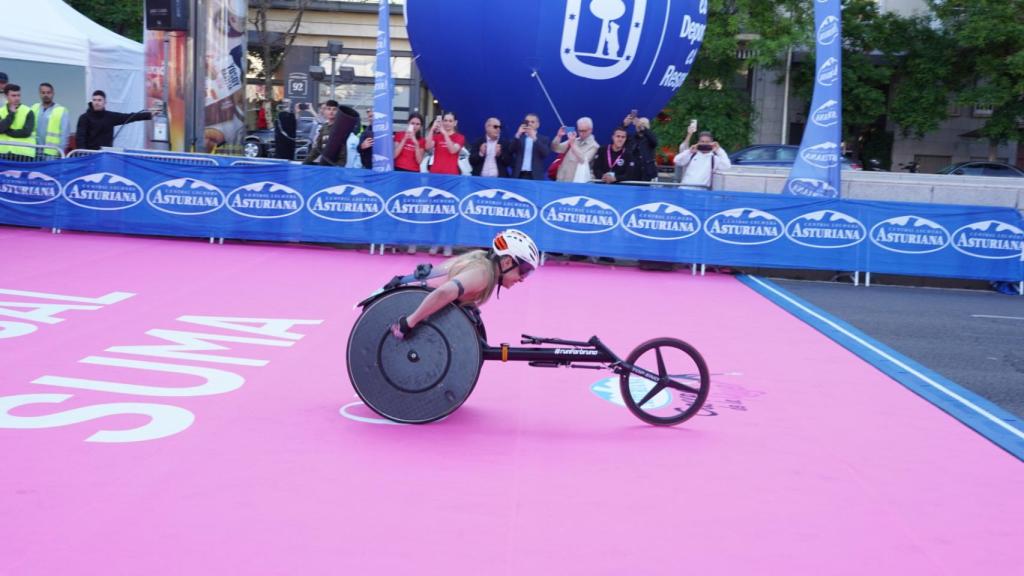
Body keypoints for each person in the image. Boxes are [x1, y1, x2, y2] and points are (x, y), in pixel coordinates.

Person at [390, 229, 540, 340]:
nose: (522, 279)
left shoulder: (484, 262)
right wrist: (409, 322)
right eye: (524, 271)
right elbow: (444, 292)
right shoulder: (483, 274)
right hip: (402, 305)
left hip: (407, 295)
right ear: (507, 262)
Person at [74, 90, 154, 150]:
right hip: (89, 155)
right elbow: (80, 138)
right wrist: (83, 153)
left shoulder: (110, 116)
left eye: (99, 100)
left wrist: (149, 114)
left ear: (105, 102)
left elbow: (128, 117)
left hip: (105, 155)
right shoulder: (84, 118)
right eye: (94, 100)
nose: (96, 102)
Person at [552, 117, 599, 183]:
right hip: (561, 179)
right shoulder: (574, 140)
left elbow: (584, 160)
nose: (581, 133)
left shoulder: (594, 146)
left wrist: (573, 144)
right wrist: (559, 136)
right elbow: (555, 148)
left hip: (577, 182)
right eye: (579, 130)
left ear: (590, 130)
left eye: (584, 131)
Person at [31, 83, 70, 158]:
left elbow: (65, 134)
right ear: (39, 94)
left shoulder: (61, 110)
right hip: (35, 151)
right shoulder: (34, 108)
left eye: (48, 92)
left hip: (52, 153)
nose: (46, 95)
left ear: (53, 93)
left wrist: (60, 151)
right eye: (43, 93)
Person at [509, 113, 551, 179]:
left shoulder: (544, 139)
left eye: (532, 122)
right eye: (527, 122)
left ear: (538, 125)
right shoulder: (519, 137)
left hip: (535, 175)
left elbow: (545, 154)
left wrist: (534, 138)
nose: (530, 124)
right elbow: (511, 150)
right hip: (519, 174)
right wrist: (518, 134)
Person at [0, 84, 36, 160]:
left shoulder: (28, 111)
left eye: (18, 95)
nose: (17, 98)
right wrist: (11, 114)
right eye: (13, 96)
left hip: (23, 154)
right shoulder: (1, 111)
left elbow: (26, 132)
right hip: (3, 153)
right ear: (6, 96)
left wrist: (7, 131)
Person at [425, 111, 465, 175]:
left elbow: (453, 150)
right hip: (435, 173)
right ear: (442, 122)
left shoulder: (460, 137)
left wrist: (445, 134)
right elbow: (427, 147)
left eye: (450, 121)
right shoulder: (437, 137)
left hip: (451, 174)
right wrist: (432, 129)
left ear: (455, 123)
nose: (447, 123)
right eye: (445, 120)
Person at [303, 100, 338, 165]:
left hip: (330, 162)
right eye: (329, 109)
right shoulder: (323, 125)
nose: (331, 111)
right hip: (315, 152)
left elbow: (342, 153)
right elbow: (318, 147)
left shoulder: (338, 127)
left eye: (334, 109)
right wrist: (305, 163)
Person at [625, 115, 659, 181]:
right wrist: (625, 125)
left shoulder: (650, 138)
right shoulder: (631, 138)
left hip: (648, 173)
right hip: (633, 173)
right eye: (639, 124)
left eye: (643, 124)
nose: (640, 126)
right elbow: (618, 137)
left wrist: (643, 129)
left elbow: (655, 142)